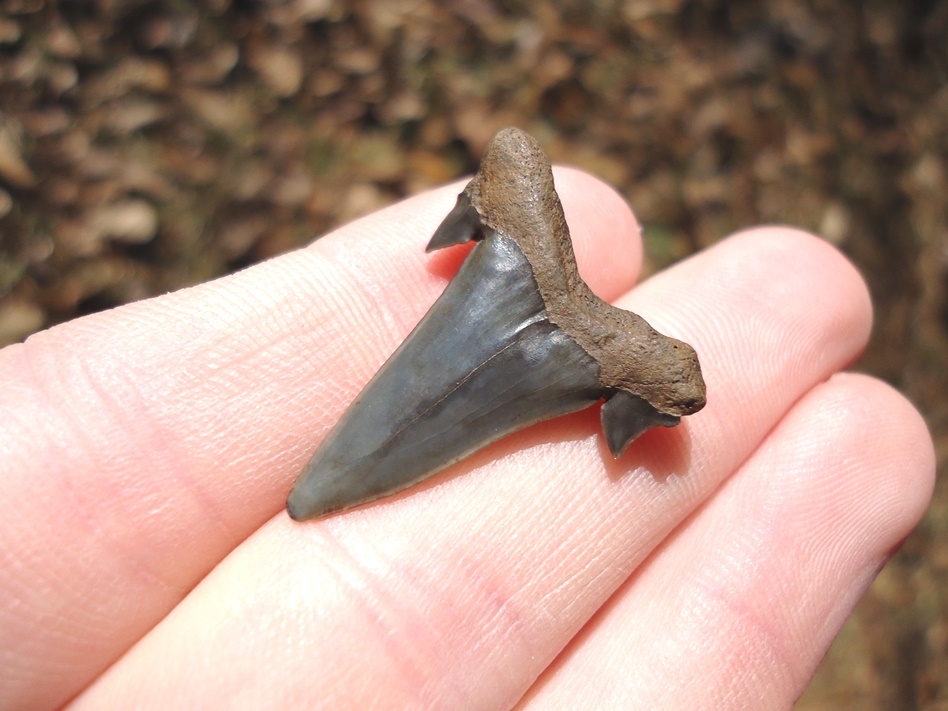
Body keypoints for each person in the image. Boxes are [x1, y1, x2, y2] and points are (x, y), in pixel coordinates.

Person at [0, 168, 934, 709]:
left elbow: (673, 384)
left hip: (560, 324)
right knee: (336, 473)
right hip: (532, 299)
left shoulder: (636, 372)